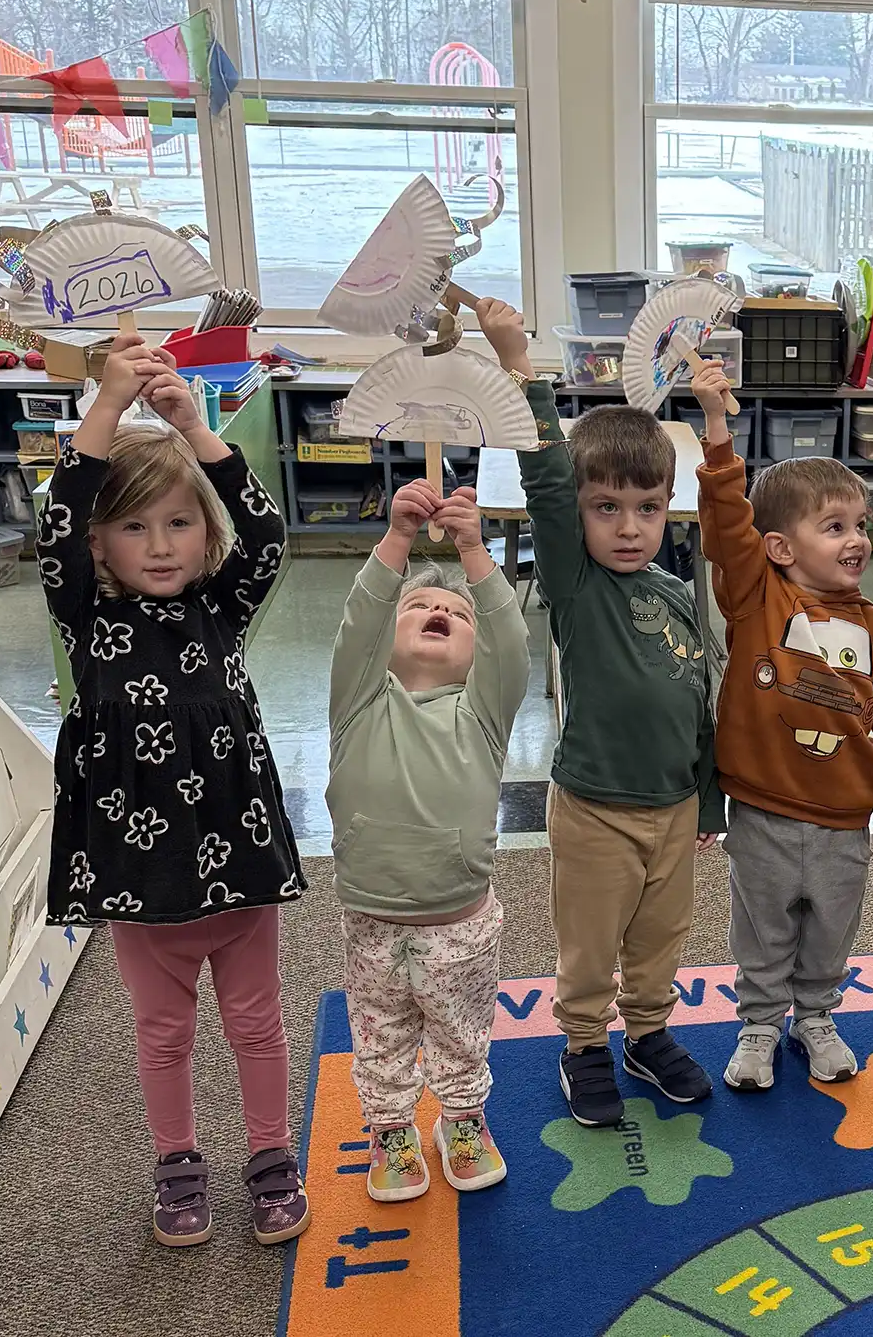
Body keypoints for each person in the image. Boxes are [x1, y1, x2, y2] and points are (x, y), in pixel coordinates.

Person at [36, 332, 310, 1247]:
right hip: (135, 871)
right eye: (133, 527)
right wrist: (106, 411)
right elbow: (54, 522)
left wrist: (195, 428)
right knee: (162, 1035)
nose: (159, 546)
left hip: (235, 856)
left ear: (205, 534)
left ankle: (271, 1155)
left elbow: (267, 533)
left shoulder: (219, 605)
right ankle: (178, 1160)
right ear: (99, 543)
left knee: (257, 1023)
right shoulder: (87, 614)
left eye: (179, 524)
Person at [488, 300, 725, 1127]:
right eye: (606, 509)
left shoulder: (673, 590)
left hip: (675, 808)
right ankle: (585, 1043)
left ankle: (647, 1034)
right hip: (594, 811)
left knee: (662, 941)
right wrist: (524, 371)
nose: (630, 529)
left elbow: (702, 701)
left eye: (649, 509)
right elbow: (549, 484)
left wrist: (710, 799)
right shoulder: (577, 587)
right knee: (591, 947)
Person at [690, 358, 873, 1092]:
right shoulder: (756, 599)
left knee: (831, 928)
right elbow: (726, 525)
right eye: (833, 527)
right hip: (765, 811)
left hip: (844, 815)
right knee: (763, 928)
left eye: (861, 525)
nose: (856, 540)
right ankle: (760, 1024)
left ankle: (817, 1017)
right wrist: (716, 429)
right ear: (780, 548)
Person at [327, 475, 531, 1201]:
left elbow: (510, 639)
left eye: (455, 613)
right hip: (372, 917)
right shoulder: (357, 701)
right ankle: (391, 1130)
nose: (440, 611)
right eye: (420, 605)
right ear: (390, 636)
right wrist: (398, 541)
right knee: (379, 1034)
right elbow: (359, 622)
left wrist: (474, 551)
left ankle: (463, 1120)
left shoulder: (483, 714)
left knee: (461, 1031)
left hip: (461, 921)